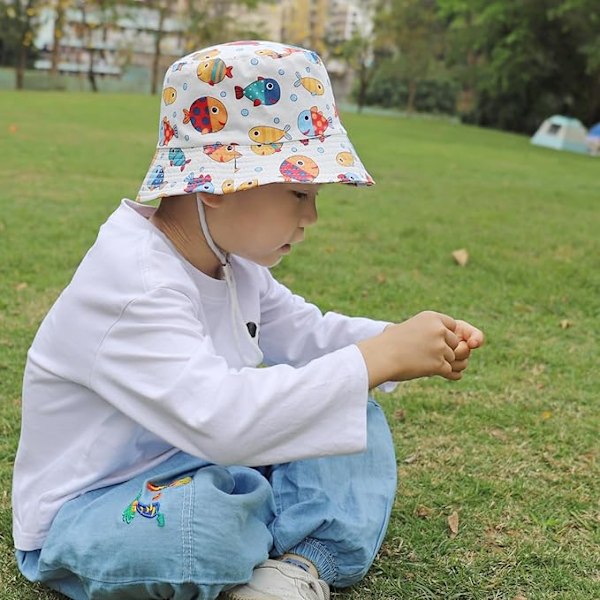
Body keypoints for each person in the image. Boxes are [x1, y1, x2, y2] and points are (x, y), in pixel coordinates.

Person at [12, 40, 484, 600]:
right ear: (216, 185)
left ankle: (300, 566)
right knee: (199, 529)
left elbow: (310, 335)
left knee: (351, 404)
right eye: (298, 192)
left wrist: (399, 342)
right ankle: (265, 527)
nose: (311, 216)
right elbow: (221, 419)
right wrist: (376, 358)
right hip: (97, 505)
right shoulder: (133, 284)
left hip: (199, 459)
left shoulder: (229, 264)